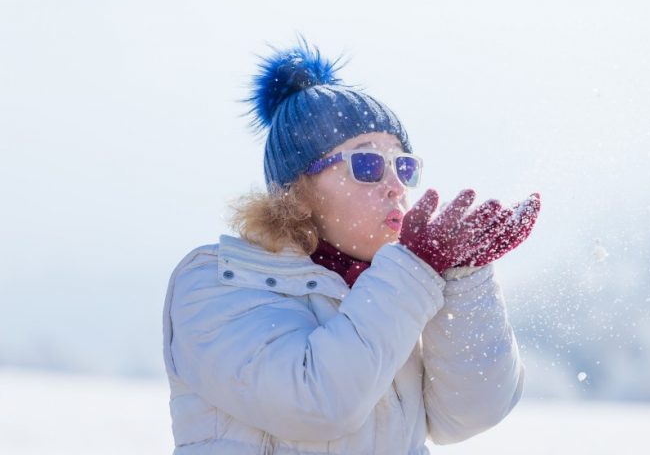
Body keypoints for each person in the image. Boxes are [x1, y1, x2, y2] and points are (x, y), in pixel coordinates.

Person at [162, 38, 541, 454]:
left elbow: (469, 416)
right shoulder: (217, 279)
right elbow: (315, 404)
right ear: (298, 191)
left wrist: (463, 277)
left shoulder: (398, 287)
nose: (395, 185)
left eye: (404, 165)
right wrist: (414, 270)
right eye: (367, 165)